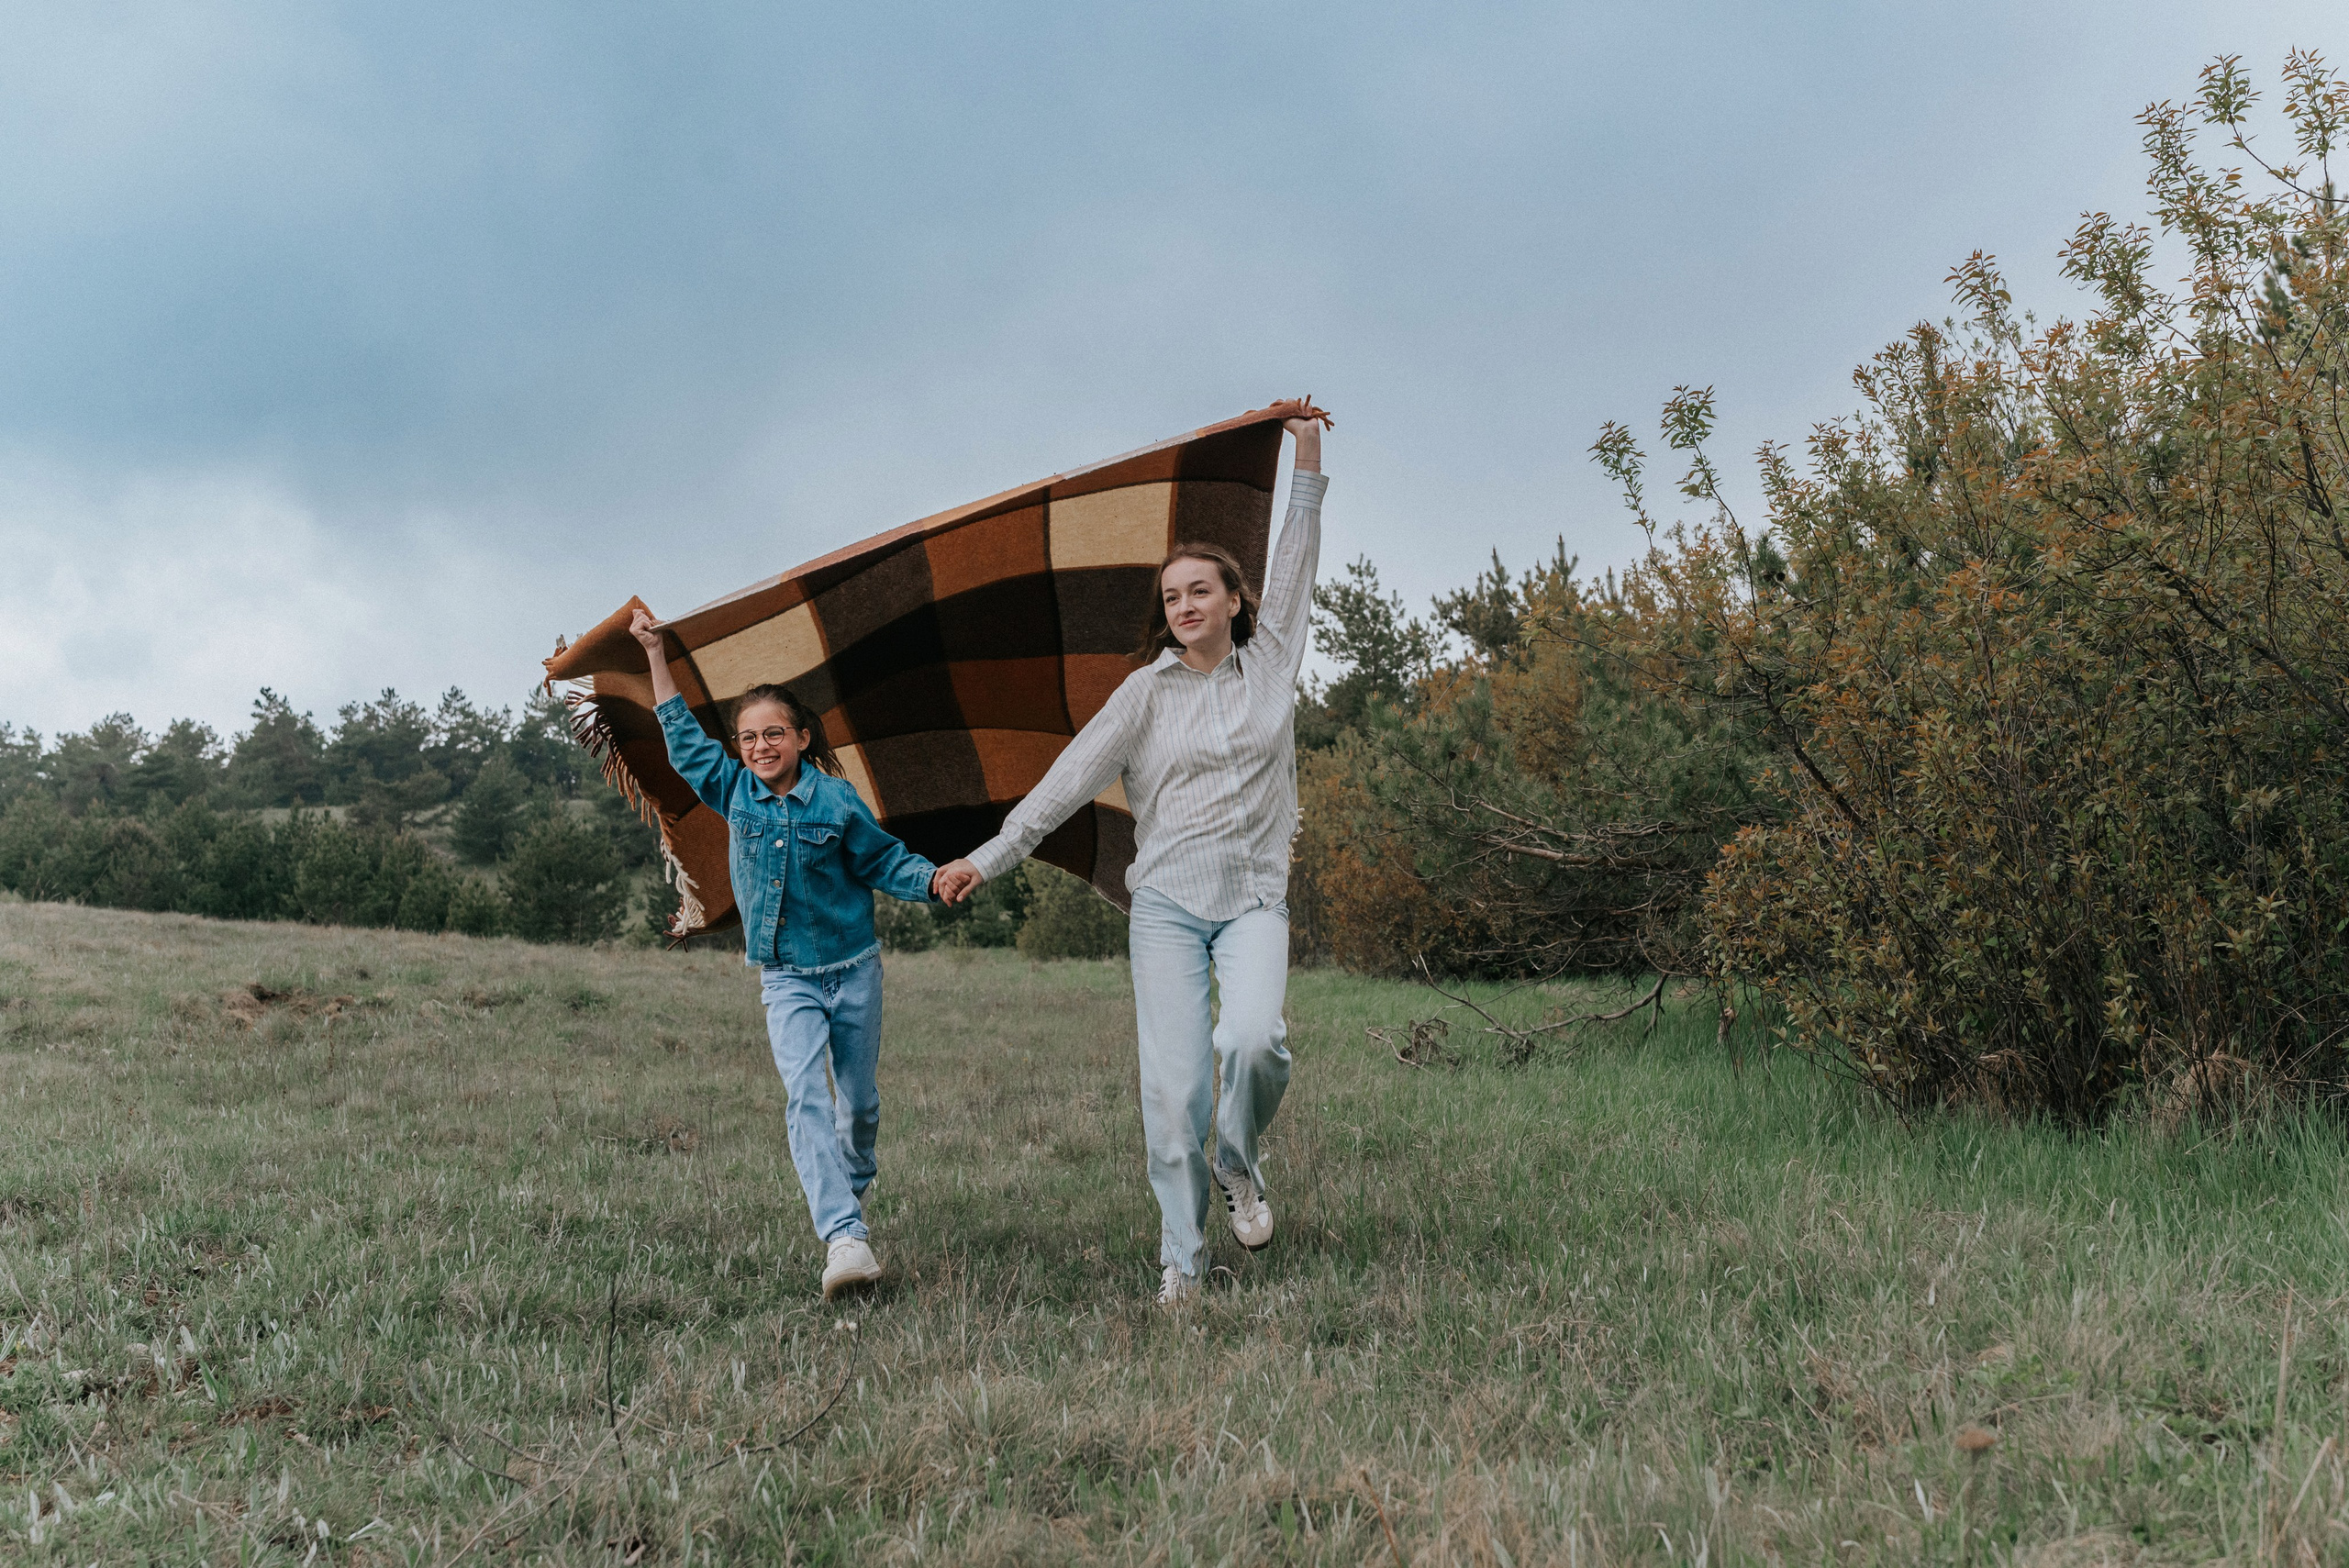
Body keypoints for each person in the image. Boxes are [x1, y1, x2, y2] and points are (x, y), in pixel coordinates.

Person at [933, 405, 1330, 1307]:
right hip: (1167, 910)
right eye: (1172, 596)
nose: (1185, 606)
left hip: (1254, 900)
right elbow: (1063, 784)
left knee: (1256, 1041)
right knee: (1176, 1090)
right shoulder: (1142, 695)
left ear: (1234, 600)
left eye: (1200, 591)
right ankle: (1181, 1259)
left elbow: (1299, 557)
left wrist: (1307, 456)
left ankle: (1239, 1159)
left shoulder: (1271, 662)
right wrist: (987, 858)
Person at [629, 609, 950, 1300]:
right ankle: (844, 1237)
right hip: (786, 979)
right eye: (748, 737)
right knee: (806, 1098)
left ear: (802, 737)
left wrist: (933, 880)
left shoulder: (835, 799)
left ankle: (851, 1189)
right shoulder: (733, 790)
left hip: (854, 970)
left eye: (773, 732)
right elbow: (682, 737)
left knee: (858, 1107)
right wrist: (656, 652)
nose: (760, 745)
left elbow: (883, 860)